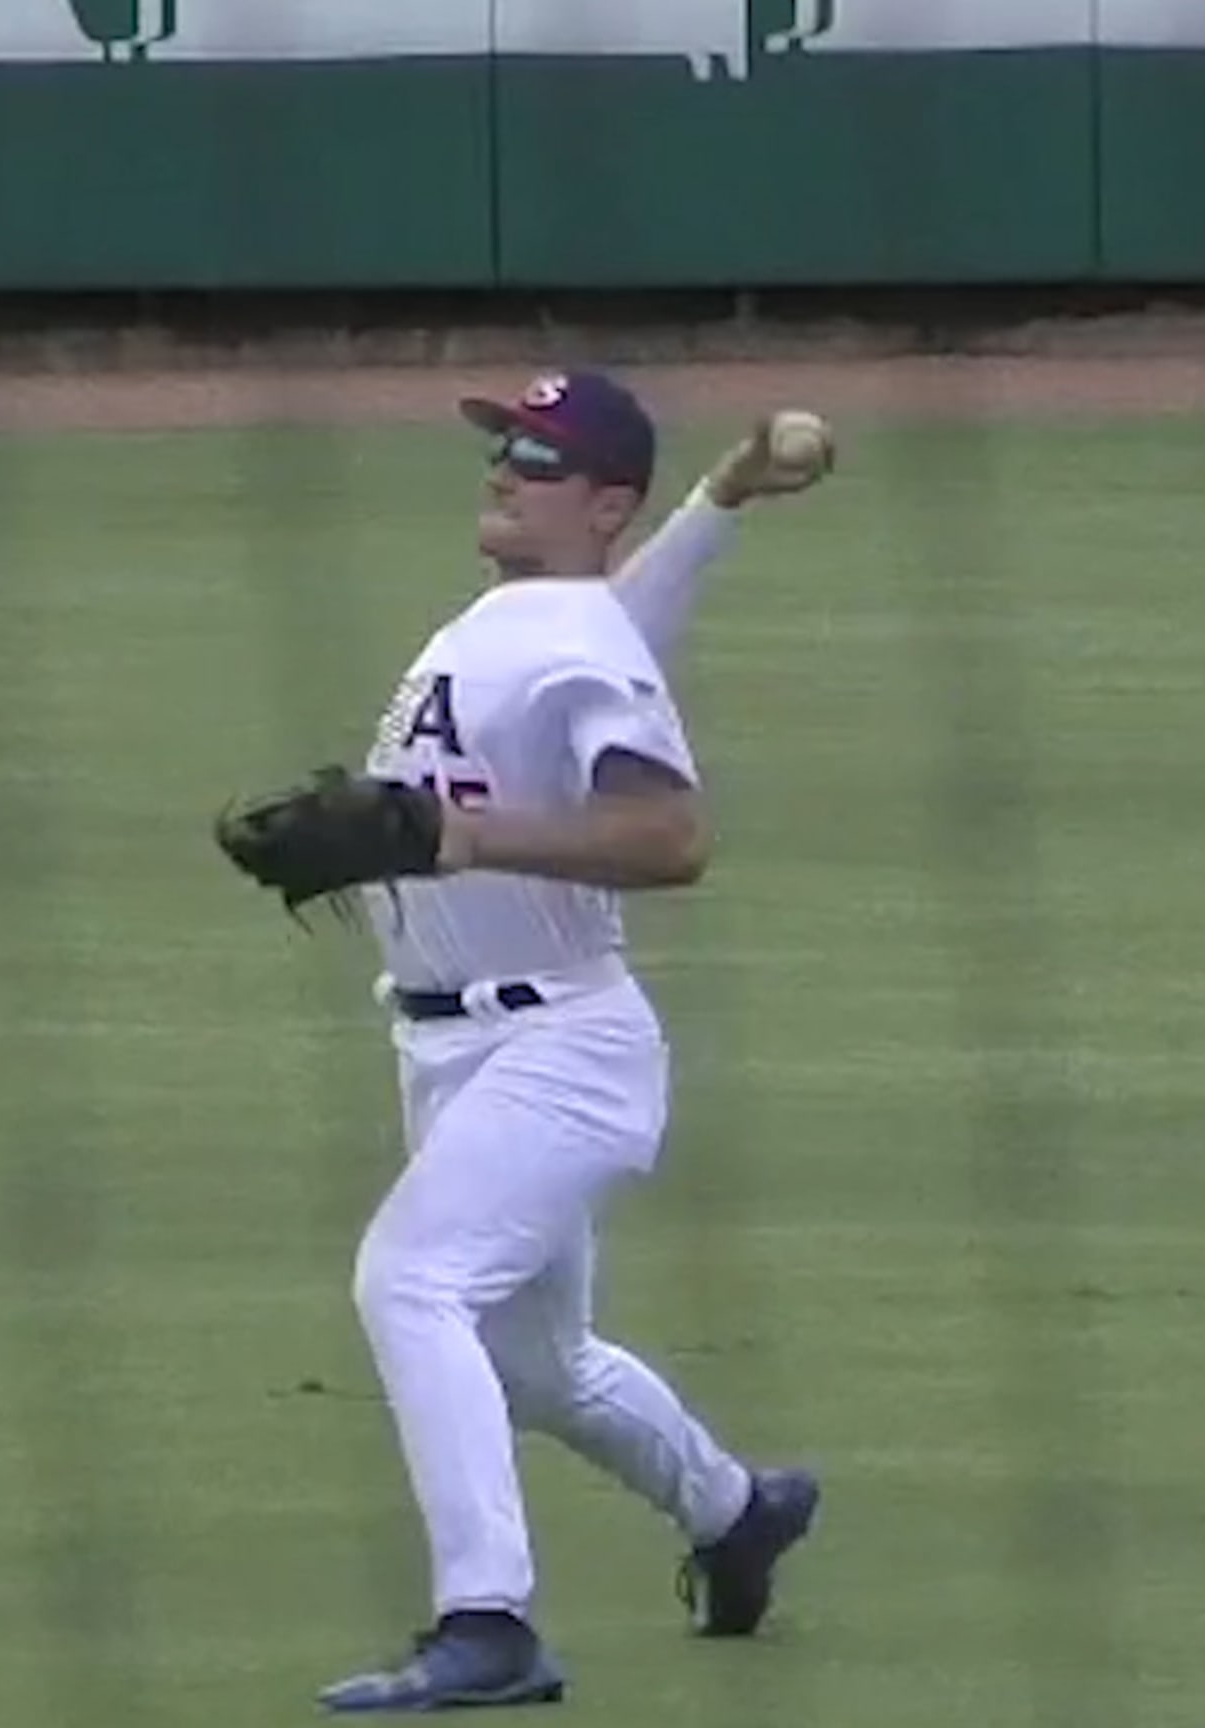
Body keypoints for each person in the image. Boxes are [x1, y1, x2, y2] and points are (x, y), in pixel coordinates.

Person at [297, 370, 832, 1713]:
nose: (504, 471)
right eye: (504, 448)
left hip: (563, 1048)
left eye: (540, 459)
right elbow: (629, 615)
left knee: (410, 1285)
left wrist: (460, 837)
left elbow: (673, 838)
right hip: (455, 1050)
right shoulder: (545, 620)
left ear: (602, 502)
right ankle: (733, 1513)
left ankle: (489, 1621)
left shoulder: (566, 638)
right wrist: (724, 495)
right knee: (540, 1364)